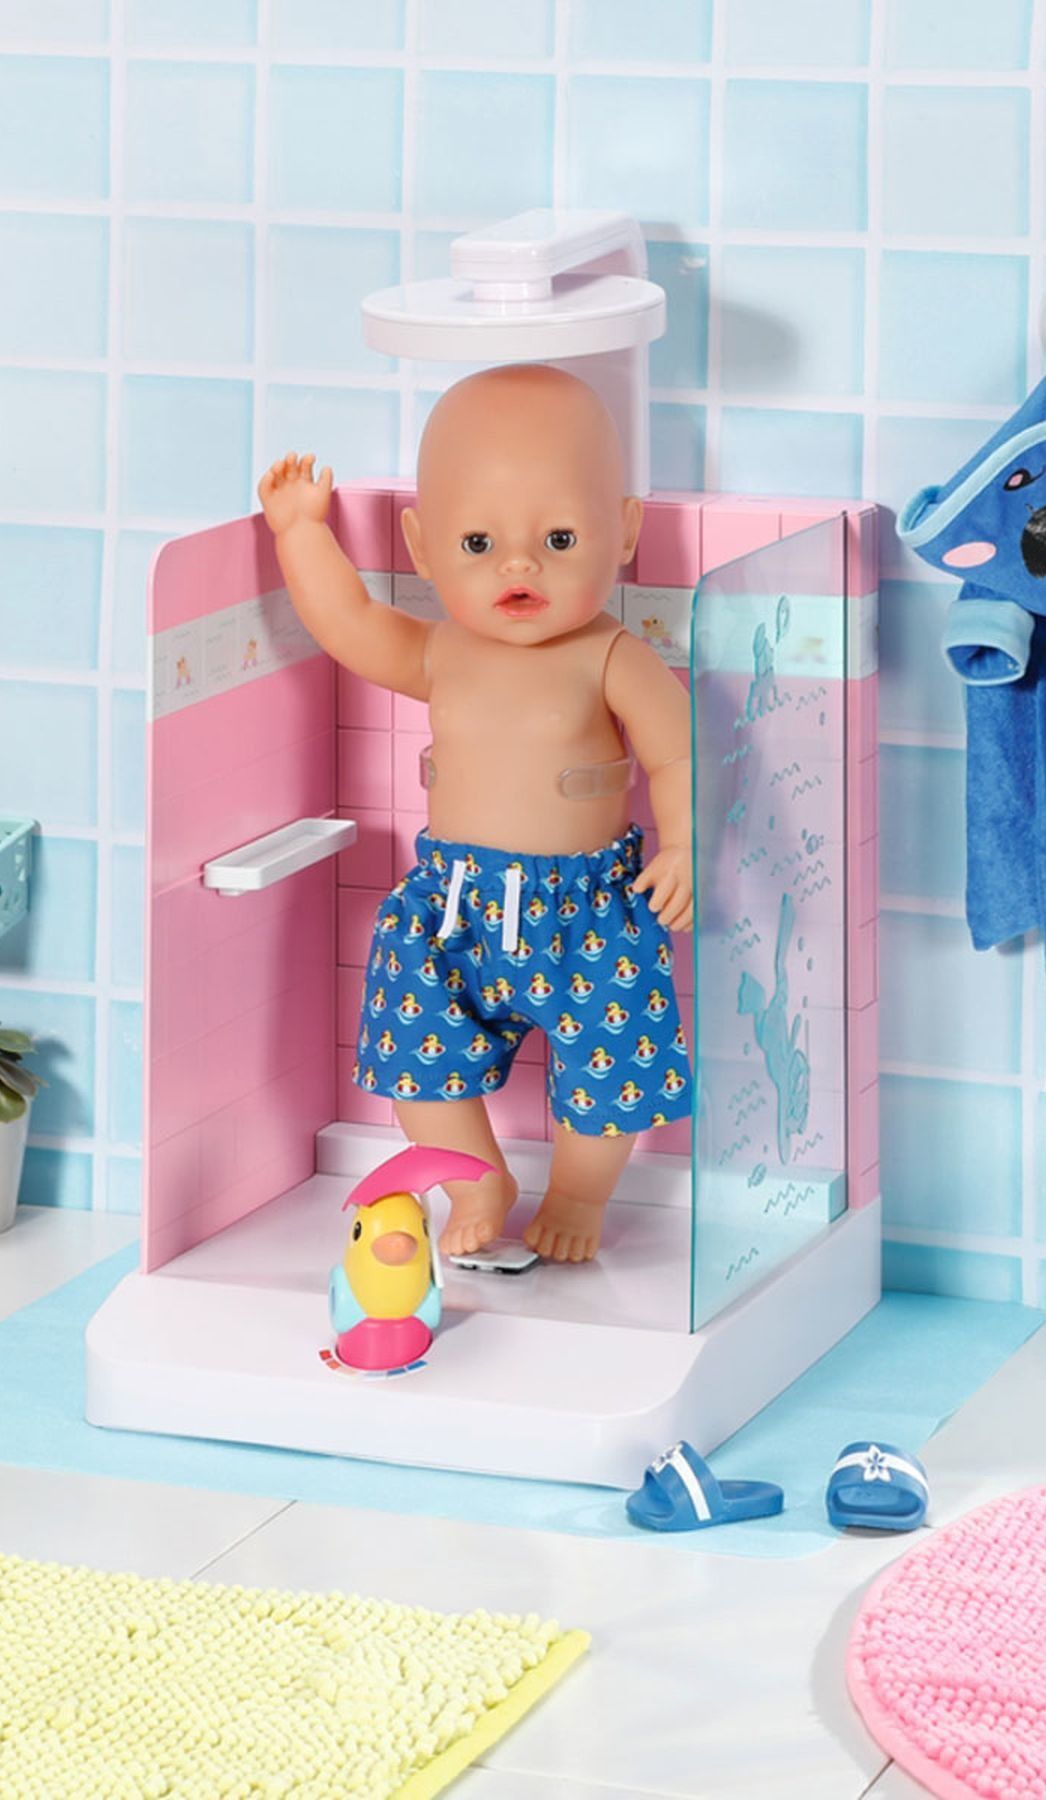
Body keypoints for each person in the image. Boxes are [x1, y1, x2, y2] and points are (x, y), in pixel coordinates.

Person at [258, 364, 692, 1263]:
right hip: (452, 905)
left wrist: (686, 844)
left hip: (590, 913)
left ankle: (578, 1193)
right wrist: (300, 532)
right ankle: (474, 1177)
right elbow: (347, 622)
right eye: (479, 542)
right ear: (422, 548)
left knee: (612, 1074)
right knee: (414, 1052)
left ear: (625, 532)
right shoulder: (439, 652)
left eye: (559, 538)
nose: (519, 565)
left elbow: (680, 753)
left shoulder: (612, 655)